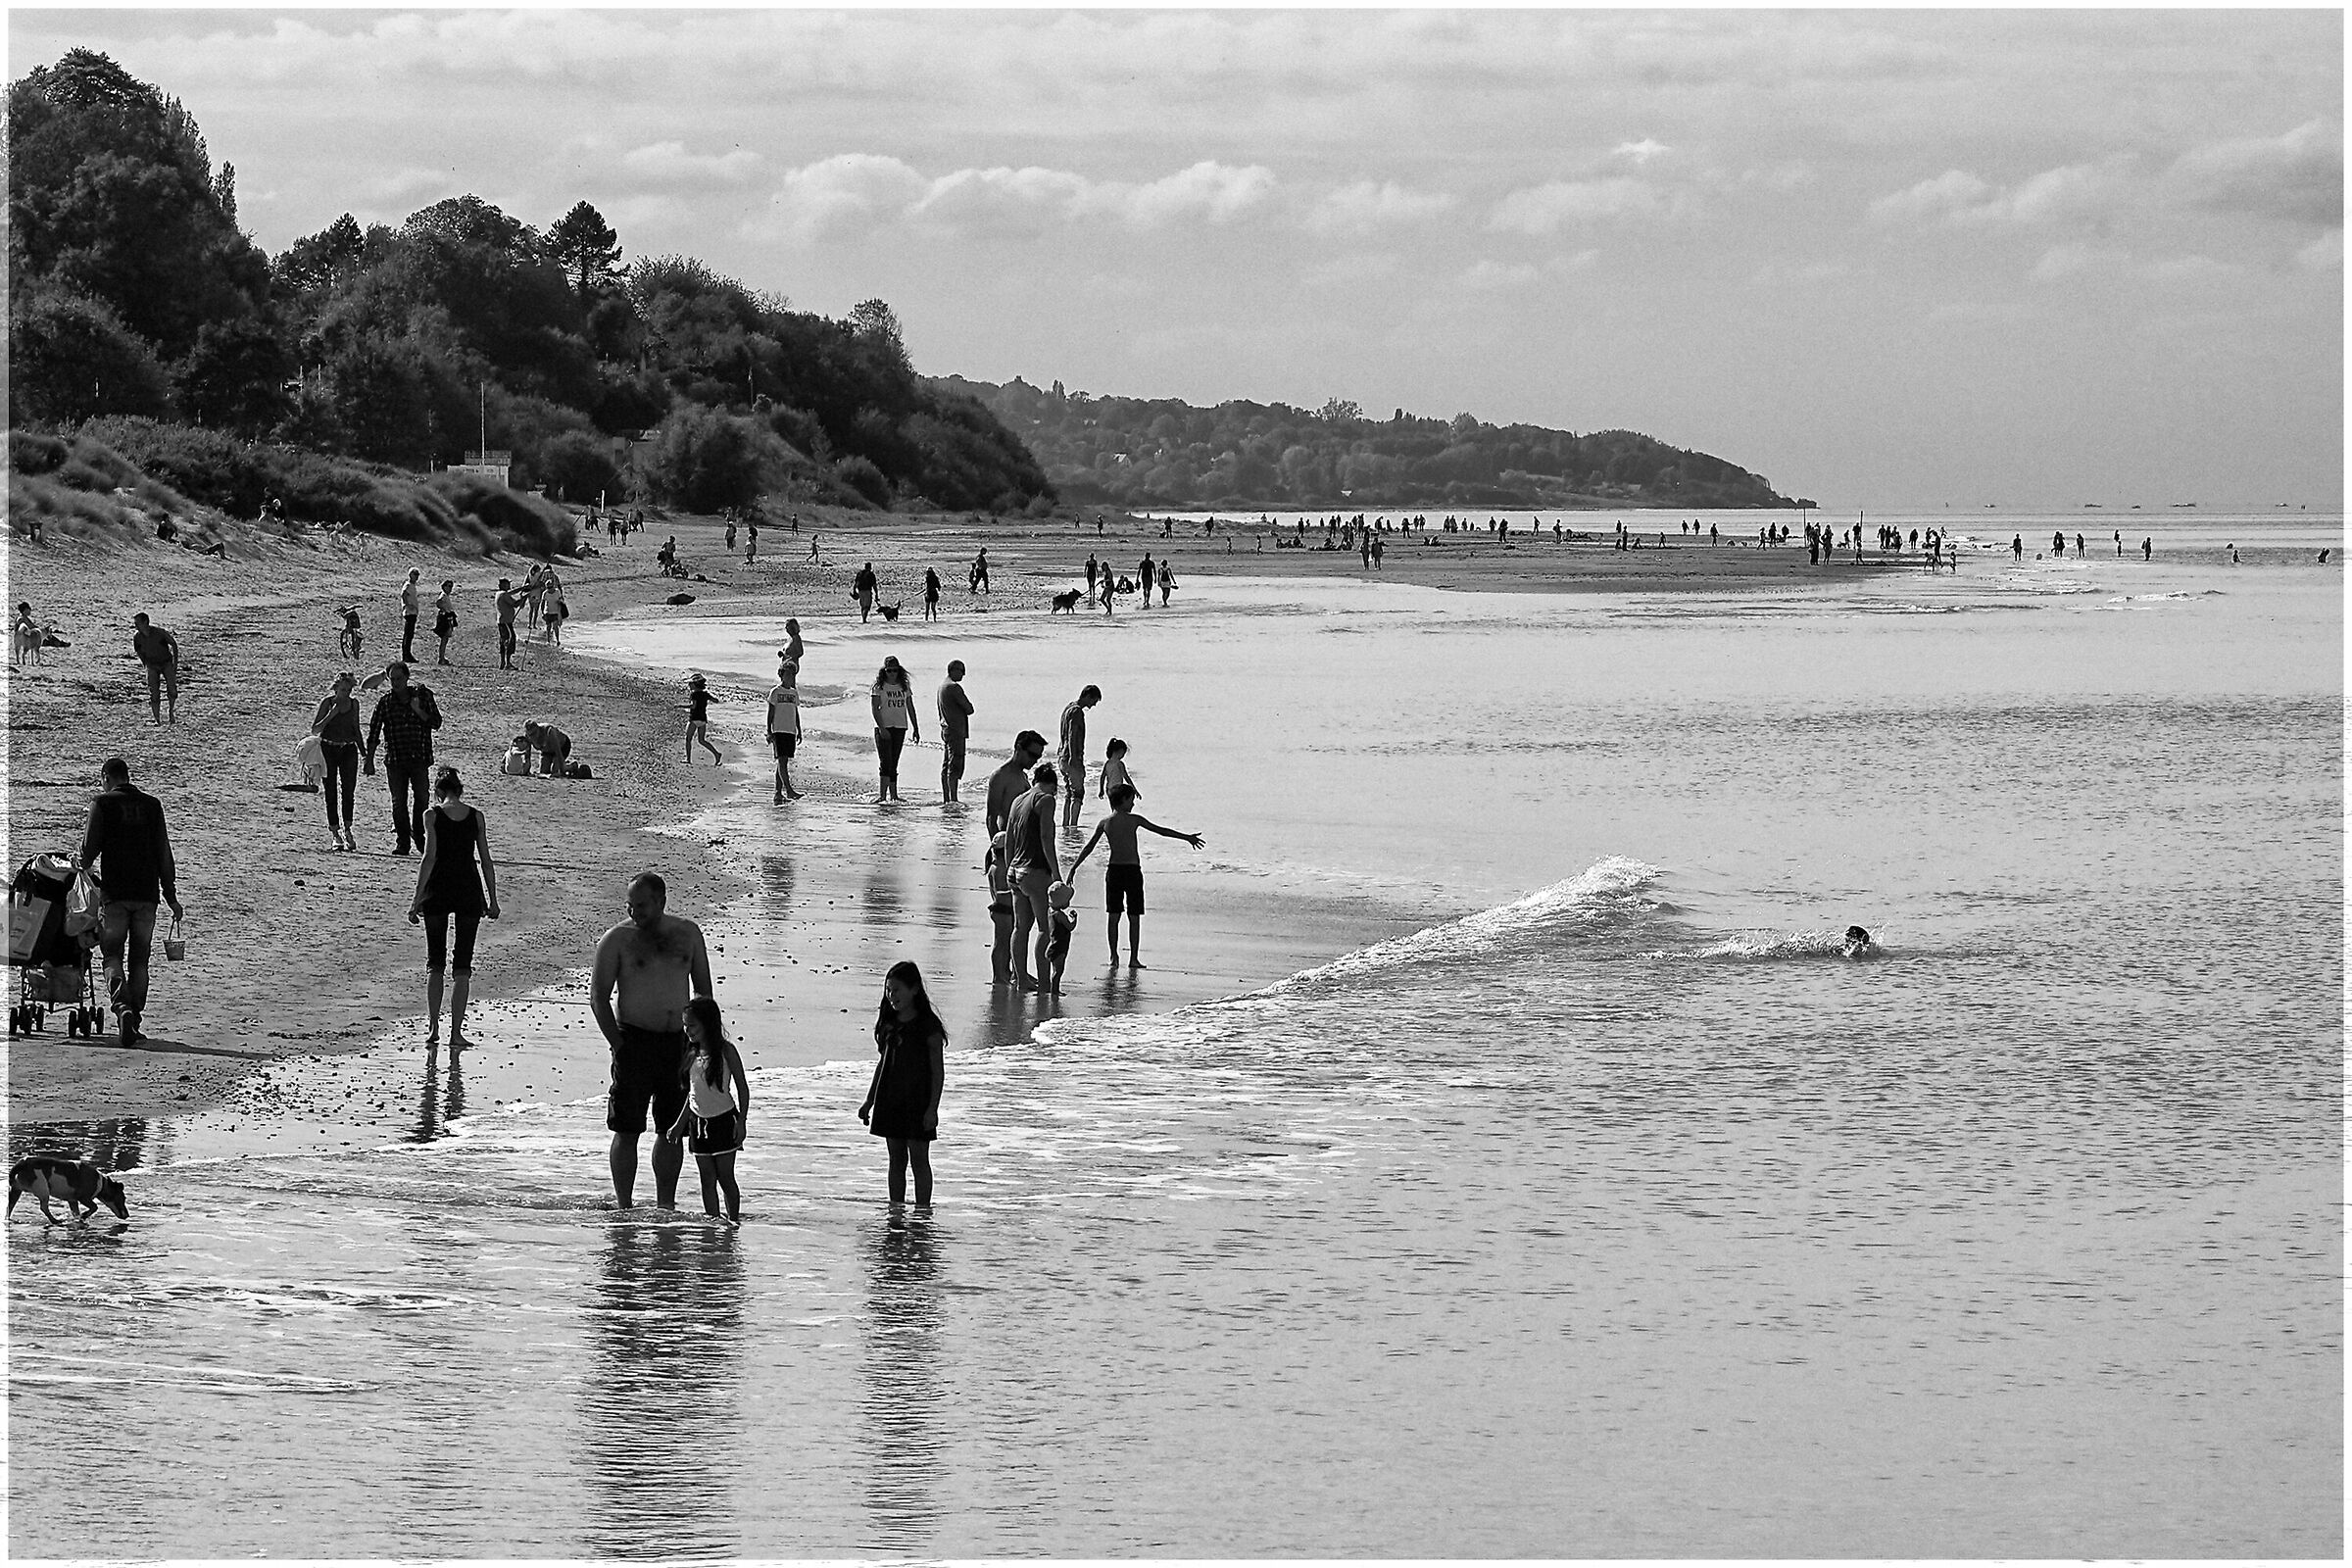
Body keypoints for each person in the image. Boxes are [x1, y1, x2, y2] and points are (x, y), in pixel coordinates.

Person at [589, 872, 713, 1208]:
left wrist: (702, 1040)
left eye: (642, 905)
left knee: (672, 1129)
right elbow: (598, 997)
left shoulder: (687, 934)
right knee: (627, 1127)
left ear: (661, 901)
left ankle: (665, 1207)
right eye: (630, 905)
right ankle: (624, 1205)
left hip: (677, 1043)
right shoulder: (616, 939)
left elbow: (703, 991)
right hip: (633, 1041)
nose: (635, 912)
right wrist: (617, 1043)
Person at [79, 757, 182, 1046]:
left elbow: (89, 851)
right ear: (128, 776)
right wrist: (170, 895)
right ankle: (134, 1018)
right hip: (147, 897)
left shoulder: (102, 803)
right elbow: (164, 851)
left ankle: (122, 1007)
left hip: (114, 896)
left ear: (106, 778)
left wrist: (80, 864)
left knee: (112, 955)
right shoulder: (152, 805)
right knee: (140, 958)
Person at [406, 766, 500, 1047]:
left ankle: (434, 1028)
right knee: (463, 965)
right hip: (468, 889)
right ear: (460, 790)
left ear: (438, 791)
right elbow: (485, 859)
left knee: (435, 963)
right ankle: (456, 1032)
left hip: (437, 890)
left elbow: (429, 858)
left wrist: (415, 900)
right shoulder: (475, 816)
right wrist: (492, 899)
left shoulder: (431, 815)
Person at [1069, 783, 1204, 967]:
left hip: (1115, 871)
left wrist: (1074, 867)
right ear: (1123, 800)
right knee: (1132, 916)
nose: (1133, 804)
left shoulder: (1105, 822)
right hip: (1131, 871)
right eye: (1131, 800)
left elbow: (1089, 847)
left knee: (1114, 915)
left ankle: (1114, 957)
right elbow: (1161, 831)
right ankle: (1132, 958)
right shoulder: (1134, 820)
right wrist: (1187, 837)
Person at [858, 959, 945, 1205]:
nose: (891, 995)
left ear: (914, 989)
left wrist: (932, 1109)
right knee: (896, 1160)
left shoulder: (929, 1027)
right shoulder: (888, 1024)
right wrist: (869, 1101)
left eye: (897, 990)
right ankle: (895, 1210)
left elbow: (938, 1072)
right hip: (890, 1101)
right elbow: (882, 1065)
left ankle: (922, 1214)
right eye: (888, 990)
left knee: (919, 1161)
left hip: (918, 1103)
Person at [661, 996, 750, 1223]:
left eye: (692, 1025)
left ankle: (733, 1223)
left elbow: (742, 1088)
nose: (687, 1030)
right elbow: (692, 1096)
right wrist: (678, 1125)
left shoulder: (726, 1051)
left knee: (725, 1178)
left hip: (724, 1121)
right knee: (706, 1179)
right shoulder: (692, 1054)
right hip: (698, 1125)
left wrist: (742, 1122)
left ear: (708, 1024)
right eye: (685, 1025)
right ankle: (712, 1225)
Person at [364, 662, 443, 854]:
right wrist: (369, 759)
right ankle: (403, 841)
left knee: (422, 799)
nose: (396, 683)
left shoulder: (422, 696)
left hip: (419, 757)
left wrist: (419, 711)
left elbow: (436, 722)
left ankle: (419, 836)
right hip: (395, 760)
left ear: (407, 678)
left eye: (399, 678)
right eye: (393, 679)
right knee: (398, 802)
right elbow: (374, 731)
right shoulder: (385, 702)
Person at [1005, 760, 1061, 992]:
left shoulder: (1018, 800)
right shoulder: (1045, 799)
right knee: (1044, 929)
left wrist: (1010, 868)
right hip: (1035, 870)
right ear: (1052, 784)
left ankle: (1021, 979)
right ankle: (1044, 984)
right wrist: (1057, 874)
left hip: (1015, 871)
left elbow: (1008, 839)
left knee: (1020, 927)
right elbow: (1047, 838)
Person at [311, 671, 365, 851]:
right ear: (335, 688)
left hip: (348, 748)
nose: (346, 693)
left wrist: (365, 753)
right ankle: (335, 832)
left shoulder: (353, 704)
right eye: (343, 690)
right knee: (330, 791)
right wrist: (331, 715)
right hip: (329, 748)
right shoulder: (327, 703)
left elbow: (356, 728)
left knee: (349, 790)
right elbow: (316, 729)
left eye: (348, 690)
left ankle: (348, 829)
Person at [869, 655, 920, 803]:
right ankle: (882, 796)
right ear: (884, 671)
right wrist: (881, 728)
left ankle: (894, 795)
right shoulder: (879, 686)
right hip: (884, 727)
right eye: (889, 671)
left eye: (895, 670)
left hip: (900, 726)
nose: (892, 673)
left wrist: (915, 728)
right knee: (885, 762)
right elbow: (875, 709)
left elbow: (910, 707)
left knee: (894, 762)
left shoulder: (904, 686)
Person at [986, 730, 1047, 837]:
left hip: (1023, 843)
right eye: (1032, 755)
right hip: (1008, 841)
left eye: (1038, 757)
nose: (1035, 761)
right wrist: (998, 849)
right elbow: (991, 819)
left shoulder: (1023, 777)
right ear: (1018, 748)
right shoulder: (1000, 776)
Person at [1057, 683, 1102, 827]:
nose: (1093, 704)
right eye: (1094, 700)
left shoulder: (1068, 708)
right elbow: (1072, 734)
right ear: (1088, 696)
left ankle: (1066, 825)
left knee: (1069, 793)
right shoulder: (1077, 712)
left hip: (1062, 756)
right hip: (1071, 757)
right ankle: (1073, 826)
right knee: (1078, 793)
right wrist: (1075, 759)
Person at [130, 612, 180, 724]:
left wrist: (175, 664)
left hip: (166, 662)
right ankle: (157, 720)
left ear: (146, 622)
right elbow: (139, 651)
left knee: (172, 690)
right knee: (154, 692)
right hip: (151, 665)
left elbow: (173, 644)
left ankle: (171, 711)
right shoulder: (137, 637)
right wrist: (145, 665)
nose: (136, 627)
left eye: (137, 624)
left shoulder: (159, 633)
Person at [766, 655, 804, 803]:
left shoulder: (794, 693)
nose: (790, 677)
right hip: (779, 730)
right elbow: (771, 712)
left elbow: (796, 712)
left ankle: (777, 793)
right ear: (782, 675)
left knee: (783, 761)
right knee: (781, 761)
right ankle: (788, 790)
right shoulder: (775, 692)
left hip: (790, 730)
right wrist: (769, 730)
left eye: (793, 674)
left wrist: (799, 729)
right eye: (788, 674)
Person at [937, 660, 973, 804]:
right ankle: (953, 798)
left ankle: (947, 797)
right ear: (953, 670)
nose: (964, 674)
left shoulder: (942, 686)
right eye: (961, 671)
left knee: (947, 764)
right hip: (955, 730)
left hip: (946, 729)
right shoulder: (953, 687)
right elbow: (969, 709)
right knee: (955, 764)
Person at [983, 831, 1014, 984]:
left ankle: (1004, 971)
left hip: (1002, 910)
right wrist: (1018, 890)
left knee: (1005, 943)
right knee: (1001, 943)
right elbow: (1001, 893)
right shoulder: (999, 868)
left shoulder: (996, 866)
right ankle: (998, 975)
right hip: (1002, 909)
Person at [1044, 880, 1077, 994]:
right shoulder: (1060, 915)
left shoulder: (1051, 912)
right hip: (1059, 947)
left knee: (1056, 970)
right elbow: (1070, 926)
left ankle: (1054, 989)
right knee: (1058, 971)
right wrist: (1074, 918)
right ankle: (1055, 991)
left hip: (1053, 946)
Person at [685, 674, 721, 765]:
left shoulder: (693, 694)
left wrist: (680, 706)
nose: (689, 685)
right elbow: (716, 700)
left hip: (694, 718)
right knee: (701, 740)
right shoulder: (705, 694)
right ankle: (716, 754)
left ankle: (688, 759)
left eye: (690, 684)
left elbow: (693, 706)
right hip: (703, 719)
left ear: (695, 685)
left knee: (688, 739)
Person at [1097, 736, 1137, 800]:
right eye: (1123, 753)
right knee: (1119, 806)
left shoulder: (1108, 763)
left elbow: (1102, 777)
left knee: (1113, 807)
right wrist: (1134, 789)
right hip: (1118, 790)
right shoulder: (1119, 764)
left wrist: (1101, 790)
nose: (1123, 756)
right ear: (1119, 751)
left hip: (1109, 790)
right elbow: (1126, 777)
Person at [494, 578, 521, 669]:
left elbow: (512, 592)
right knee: (510, 640)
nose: (509, 585)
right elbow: (516, 604)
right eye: (507, 584)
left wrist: (523, 588)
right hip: (506, 621)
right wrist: (526, 597)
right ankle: (507, 663)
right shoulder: (504, 594)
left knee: (503, 641)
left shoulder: (499, 593)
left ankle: (502, 662)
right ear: (503, 585)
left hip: (502, 621)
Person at [399, 568, 423, 663]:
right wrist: (407, 605)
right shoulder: (408, 585)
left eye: (417, 575)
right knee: (408, 635)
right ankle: (406, 655)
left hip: (412, 612)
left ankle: (407, 654)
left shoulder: (412, 586)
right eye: (415, 574)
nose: (416, 577)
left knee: (409, 634)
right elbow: (403, 595)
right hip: (409, 612)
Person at [431, 579, 459, 665]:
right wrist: (444, 610)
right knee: (444, 638)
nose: (450, 589)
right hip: (445, 618)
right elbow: (438, 603)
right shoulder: (443, 596)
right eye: (449, 586)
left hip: (448, 617)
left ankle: (442, 657)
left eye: (451, 587)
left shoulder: (446, 596)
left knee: (445, 639)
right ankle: (441, 658)